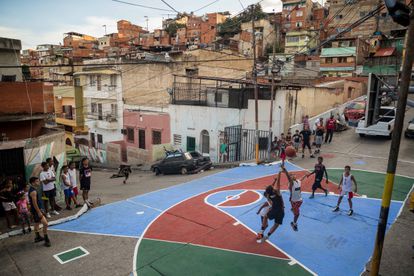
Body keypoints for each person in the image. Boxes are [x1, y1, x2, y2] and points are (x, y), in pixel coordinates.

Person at [256, 171, 285, 243]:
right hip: (281, 211)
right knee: (276, 224)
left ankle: (262, 231)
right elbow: (278, 183)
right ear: (272, 189)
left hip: (274, 209)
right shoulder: (277, 192)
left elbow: (269, 188)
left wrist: (272, 184)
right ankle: (268, 235)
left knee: (266, 217)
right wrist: (279, 174)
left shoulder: (269, 195)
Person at [281, 166, 305, 231]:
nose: (293, 176)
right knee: (297, 214)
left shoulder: (298, 181)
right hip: (294, 201)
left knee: (299, 204)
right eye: (291, 175)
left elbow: (302, 178)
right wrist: (285, 171)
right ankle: (294, 224)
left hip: (299, 199)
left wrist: (306, 175)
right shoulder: (291, 183)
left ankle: (293, 209)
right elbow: (288, 178)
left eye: (294, 174)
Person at [29, 177, 51, 247]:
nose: (39, 182)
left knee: (37, 223)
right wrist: (39, 212)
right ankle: (46, 239)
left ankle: (37, 237)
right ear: (33, 183)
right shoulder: (33, 191)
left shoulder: (33, 189)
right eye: (37, 181)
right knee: (45, 224)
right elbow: (34, 203)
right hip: (36, 211)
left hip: (35, 210)